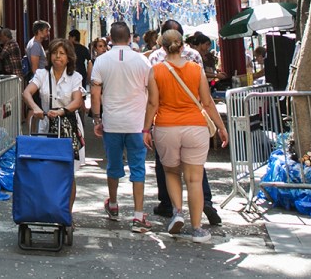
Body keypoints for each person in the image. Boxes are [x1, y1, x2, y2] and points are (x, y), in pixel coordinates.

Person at [149, 28, 228, 244]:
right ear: (183, 46)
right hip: (195, 126)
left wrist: (145, 129)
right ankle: (197, 228)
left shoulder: (156, 71)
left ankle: (177, 212)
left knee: (171, 172)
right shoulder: (196, 69)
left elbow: (153, 103)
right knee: (194, 179)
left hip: (166, 127)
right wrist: (221, 127)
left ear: (162, 47)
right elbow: (207, 102)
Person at [90, 20, 159, 233]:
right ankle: (138, 215)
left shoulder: (101, 61)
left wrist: (97, 118)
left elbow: (95, 93)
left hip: (112, 121)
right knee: (138, 167)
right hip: (137, 123)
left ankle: (113, 204)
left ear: (110, 39)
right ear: (130, 38)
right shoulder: (142, 61)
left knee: (113, 164)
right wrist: (149, 124)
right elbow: (153, 94)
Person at [22, 39, 85, 219]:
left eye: (62, 53)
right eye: (55, 53)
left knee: (68, 171)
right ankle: (46, 210)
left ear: (68, 57)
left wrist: (62, 111)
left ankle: (67, 214)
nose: (58, 56)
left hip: (67, 127)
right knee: (45, 169)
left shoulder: (75, 77)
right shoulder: (42, 74)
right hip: (46, 127)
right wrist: (35, 107)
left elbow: (77, 101)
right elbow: (27, 92)